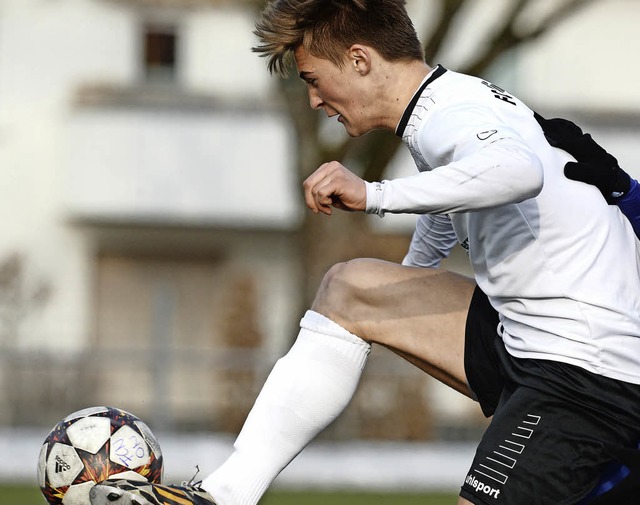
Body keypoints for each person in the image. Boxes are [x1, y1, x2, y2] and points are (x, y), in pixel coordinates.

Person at [89, 1, 640, 504]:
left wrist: (373, 195)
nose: (313, 99)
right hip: (528, 339)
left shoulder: (453, 114)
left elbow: (518, 173)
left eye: (313, 79)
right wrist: (393, 311)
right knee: (353, 290)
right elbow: (446, 219)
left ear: (359, 60)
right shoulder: (445, 106)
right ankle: (226, 493)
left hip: (584, 372)